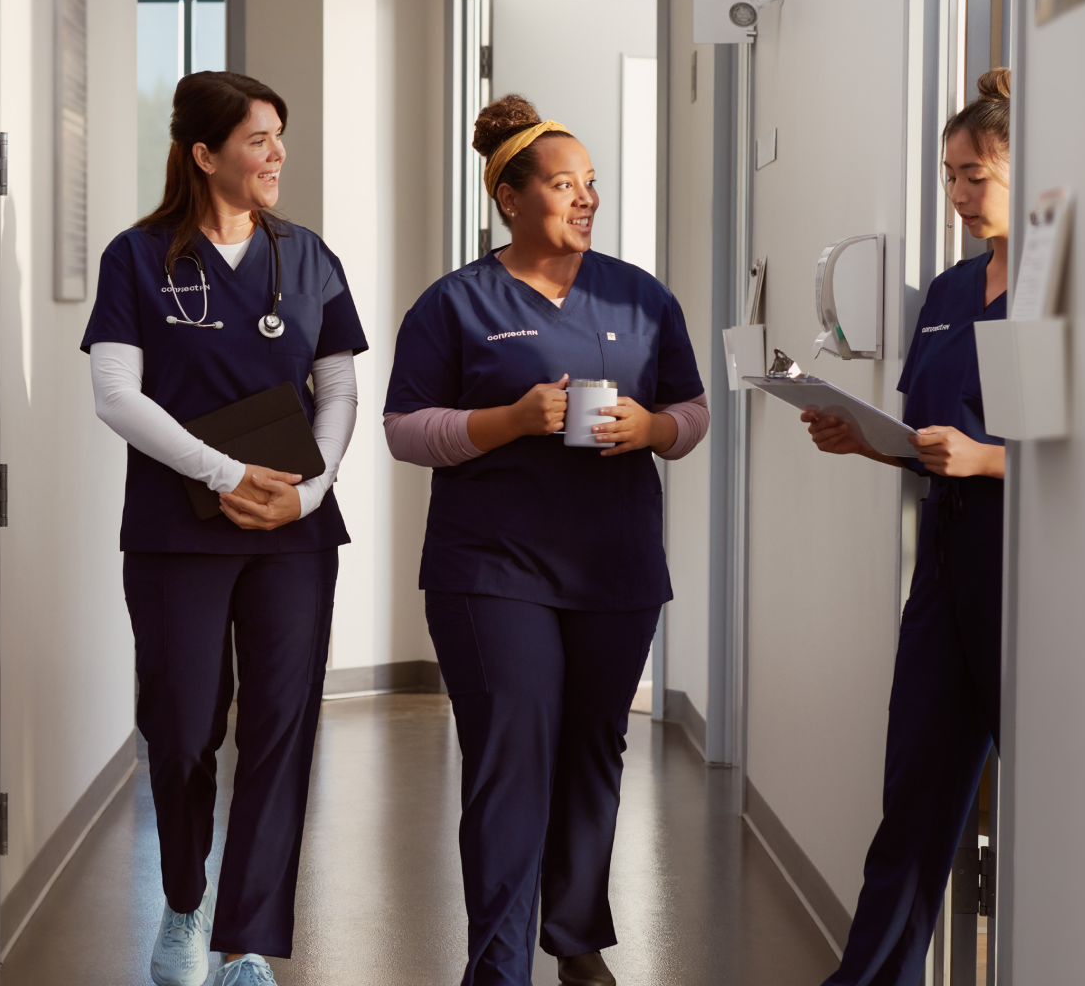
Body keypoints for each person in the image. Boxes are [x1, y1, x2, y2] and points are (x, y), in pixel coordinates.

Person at [383, 95, 708, 986]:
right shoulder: (455, 303)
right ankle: (496, 966)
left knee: (594, 750)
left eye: (592, 184)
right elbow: (405, 429)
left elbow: (692, 409)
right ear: (511, 198)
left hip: (616, 563)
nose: (586, 198)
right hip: (492, 568)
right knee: (511, 755)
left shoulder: (640, 295)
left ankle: (573, 938)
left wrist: (654, 430)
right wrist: (510, 420)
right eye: (565, 184)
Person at [81, 70, 367, 986]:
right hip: (179, 530)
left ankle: (243, 942)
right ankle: (180, 899)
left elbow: (340, 388)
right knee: (182, 724)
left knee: (281, 726)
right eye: (258, 139)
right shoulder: (138, 257)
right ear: (205, 155)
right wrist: (225, 472)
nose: (277, 154)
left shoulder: (310, 257)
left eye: (280, 135)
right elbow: (115, 394)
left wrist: (308, 492)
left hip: (292, 532)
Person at [805, 67, 1015, 986]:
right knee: (916, 800)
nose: (961, 194)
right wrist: (866, 442)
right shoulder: (947, 293)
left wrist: (991, 459)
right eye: (950, 175)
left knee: (1045, 801)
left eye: (978, 173)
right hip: (944, 563)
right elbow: (930, 439)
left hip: (1022, 567)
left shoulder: (1052, 293)